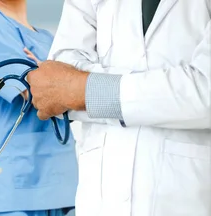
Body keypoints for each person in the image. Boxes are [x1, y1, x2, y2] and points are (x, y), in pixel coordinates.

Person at [25, 0, 210, 215]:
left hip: (184, 195)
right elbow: (58, 82)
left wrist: (83, 90)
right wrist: (160, 95)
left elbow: (204, 92)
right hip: (101, 196)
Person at [0, 0, 78, 216]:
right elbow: (35, 92)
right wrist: (61, 80)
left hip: (55, 181)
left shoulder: (48, 39)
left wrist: (55, 81)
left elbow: (80, 93)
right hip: (7, 186)